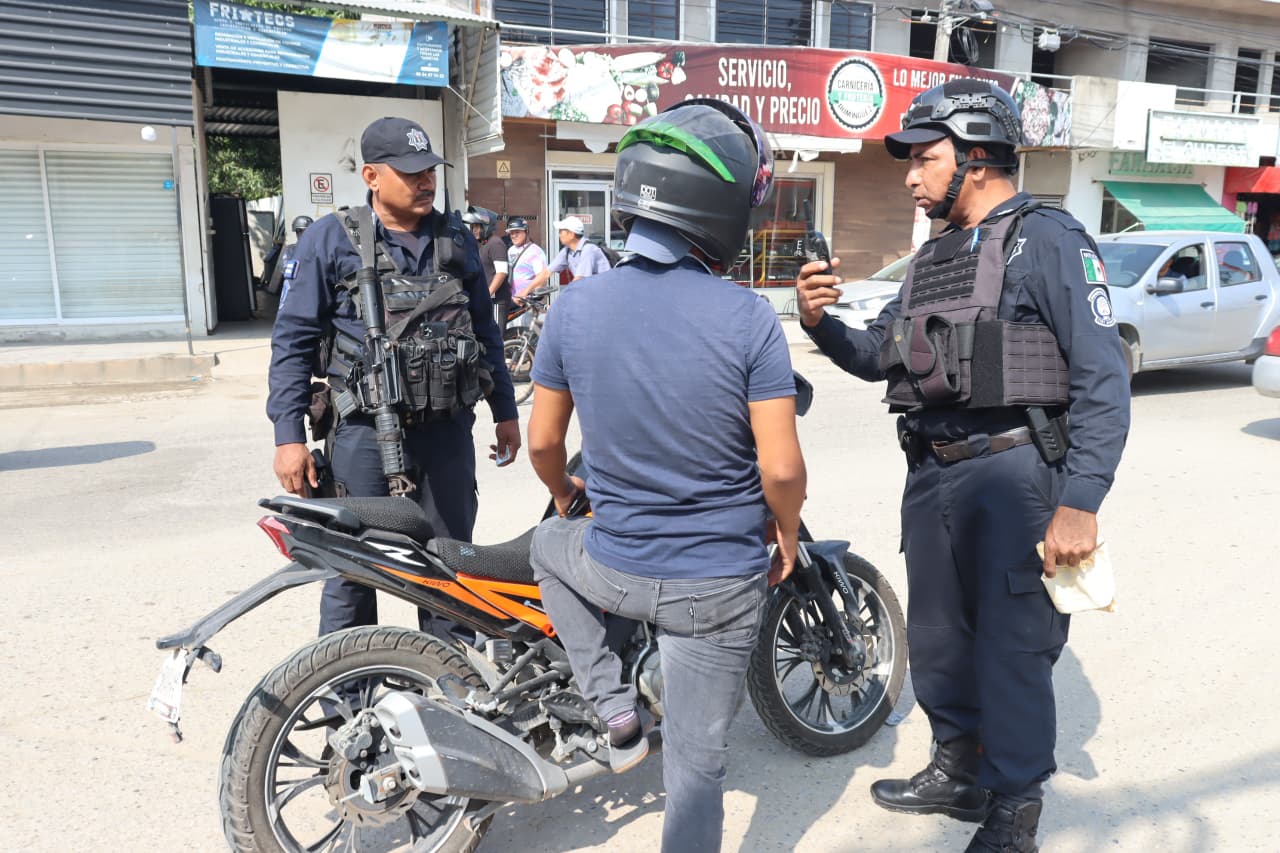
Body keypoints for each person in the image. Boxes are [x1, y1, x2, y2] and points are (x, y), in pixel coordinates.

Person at [795, 80, 1130, 853]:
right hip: (933, 474)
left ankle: (1014, 810)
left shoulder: (1050, 240)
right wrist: (819, 323)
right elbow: (878, 354)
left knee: (1013, 646)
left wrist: (1081, 499)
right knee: (941, 637)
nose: (911, 177)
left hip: (1015, 473)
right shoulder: (932, 257)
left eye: (926, 159)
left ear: (976, 158)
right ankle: (957, 768)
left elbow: (1103, 380)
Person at [526, 99, 806, 853]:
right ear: (719, 208)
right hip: (717, 590)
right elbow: (781, 468)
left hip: (615, 571)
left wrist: (565, 496)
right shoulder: (749, 318)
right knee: (697, 767)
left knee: (548, 544)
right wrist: (786, 533)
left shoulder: (573, 307)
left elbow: (544, 443)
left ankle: (612, 701)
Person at [268, 116, 521, 636]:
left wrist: (506, 412)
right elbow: (292, 340)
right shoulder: (330, 239)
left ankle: (449, 678)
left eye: (429, 171)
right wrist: (288, 436)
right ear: (371, 176)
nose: (425, 182)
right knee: (353, 573)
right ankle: (352, 684)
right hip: (362, 430)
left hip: (446, 432)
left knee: (451, 571)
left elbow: (485, 330)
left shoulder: (457, 238)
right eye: (410, 173)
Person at [528, 215, 611, 291]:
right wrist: (525, 292)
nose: (559, 235)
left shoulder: (588, 249)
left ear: (571, 234)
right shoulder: (567, 250)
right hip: (590, 292)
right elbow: (546, 273)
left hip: (603, 294)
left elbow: (580, 279)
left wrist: (565, 296)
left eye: (561, 232)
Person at [462, 205, 511, 330]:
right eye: (473, 226)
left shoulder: (496, 243)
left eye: (477, 226)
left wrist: (487, 295)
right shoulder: (481, 245)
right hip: (486, 300)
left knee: (497, 335)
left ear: (486, 226)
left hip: (497, 301)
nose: (474, 230)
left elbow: (501, 273)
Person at [505, 217, 547, 305]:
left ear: (526, 231)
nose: (513, 236)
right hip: (510, 302)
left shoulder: (535, 251)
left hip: (526, 303)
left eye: (517, 232)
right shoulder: (511, 250)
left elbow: (542, 278)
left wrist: (526, 295)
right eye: (511, 233)